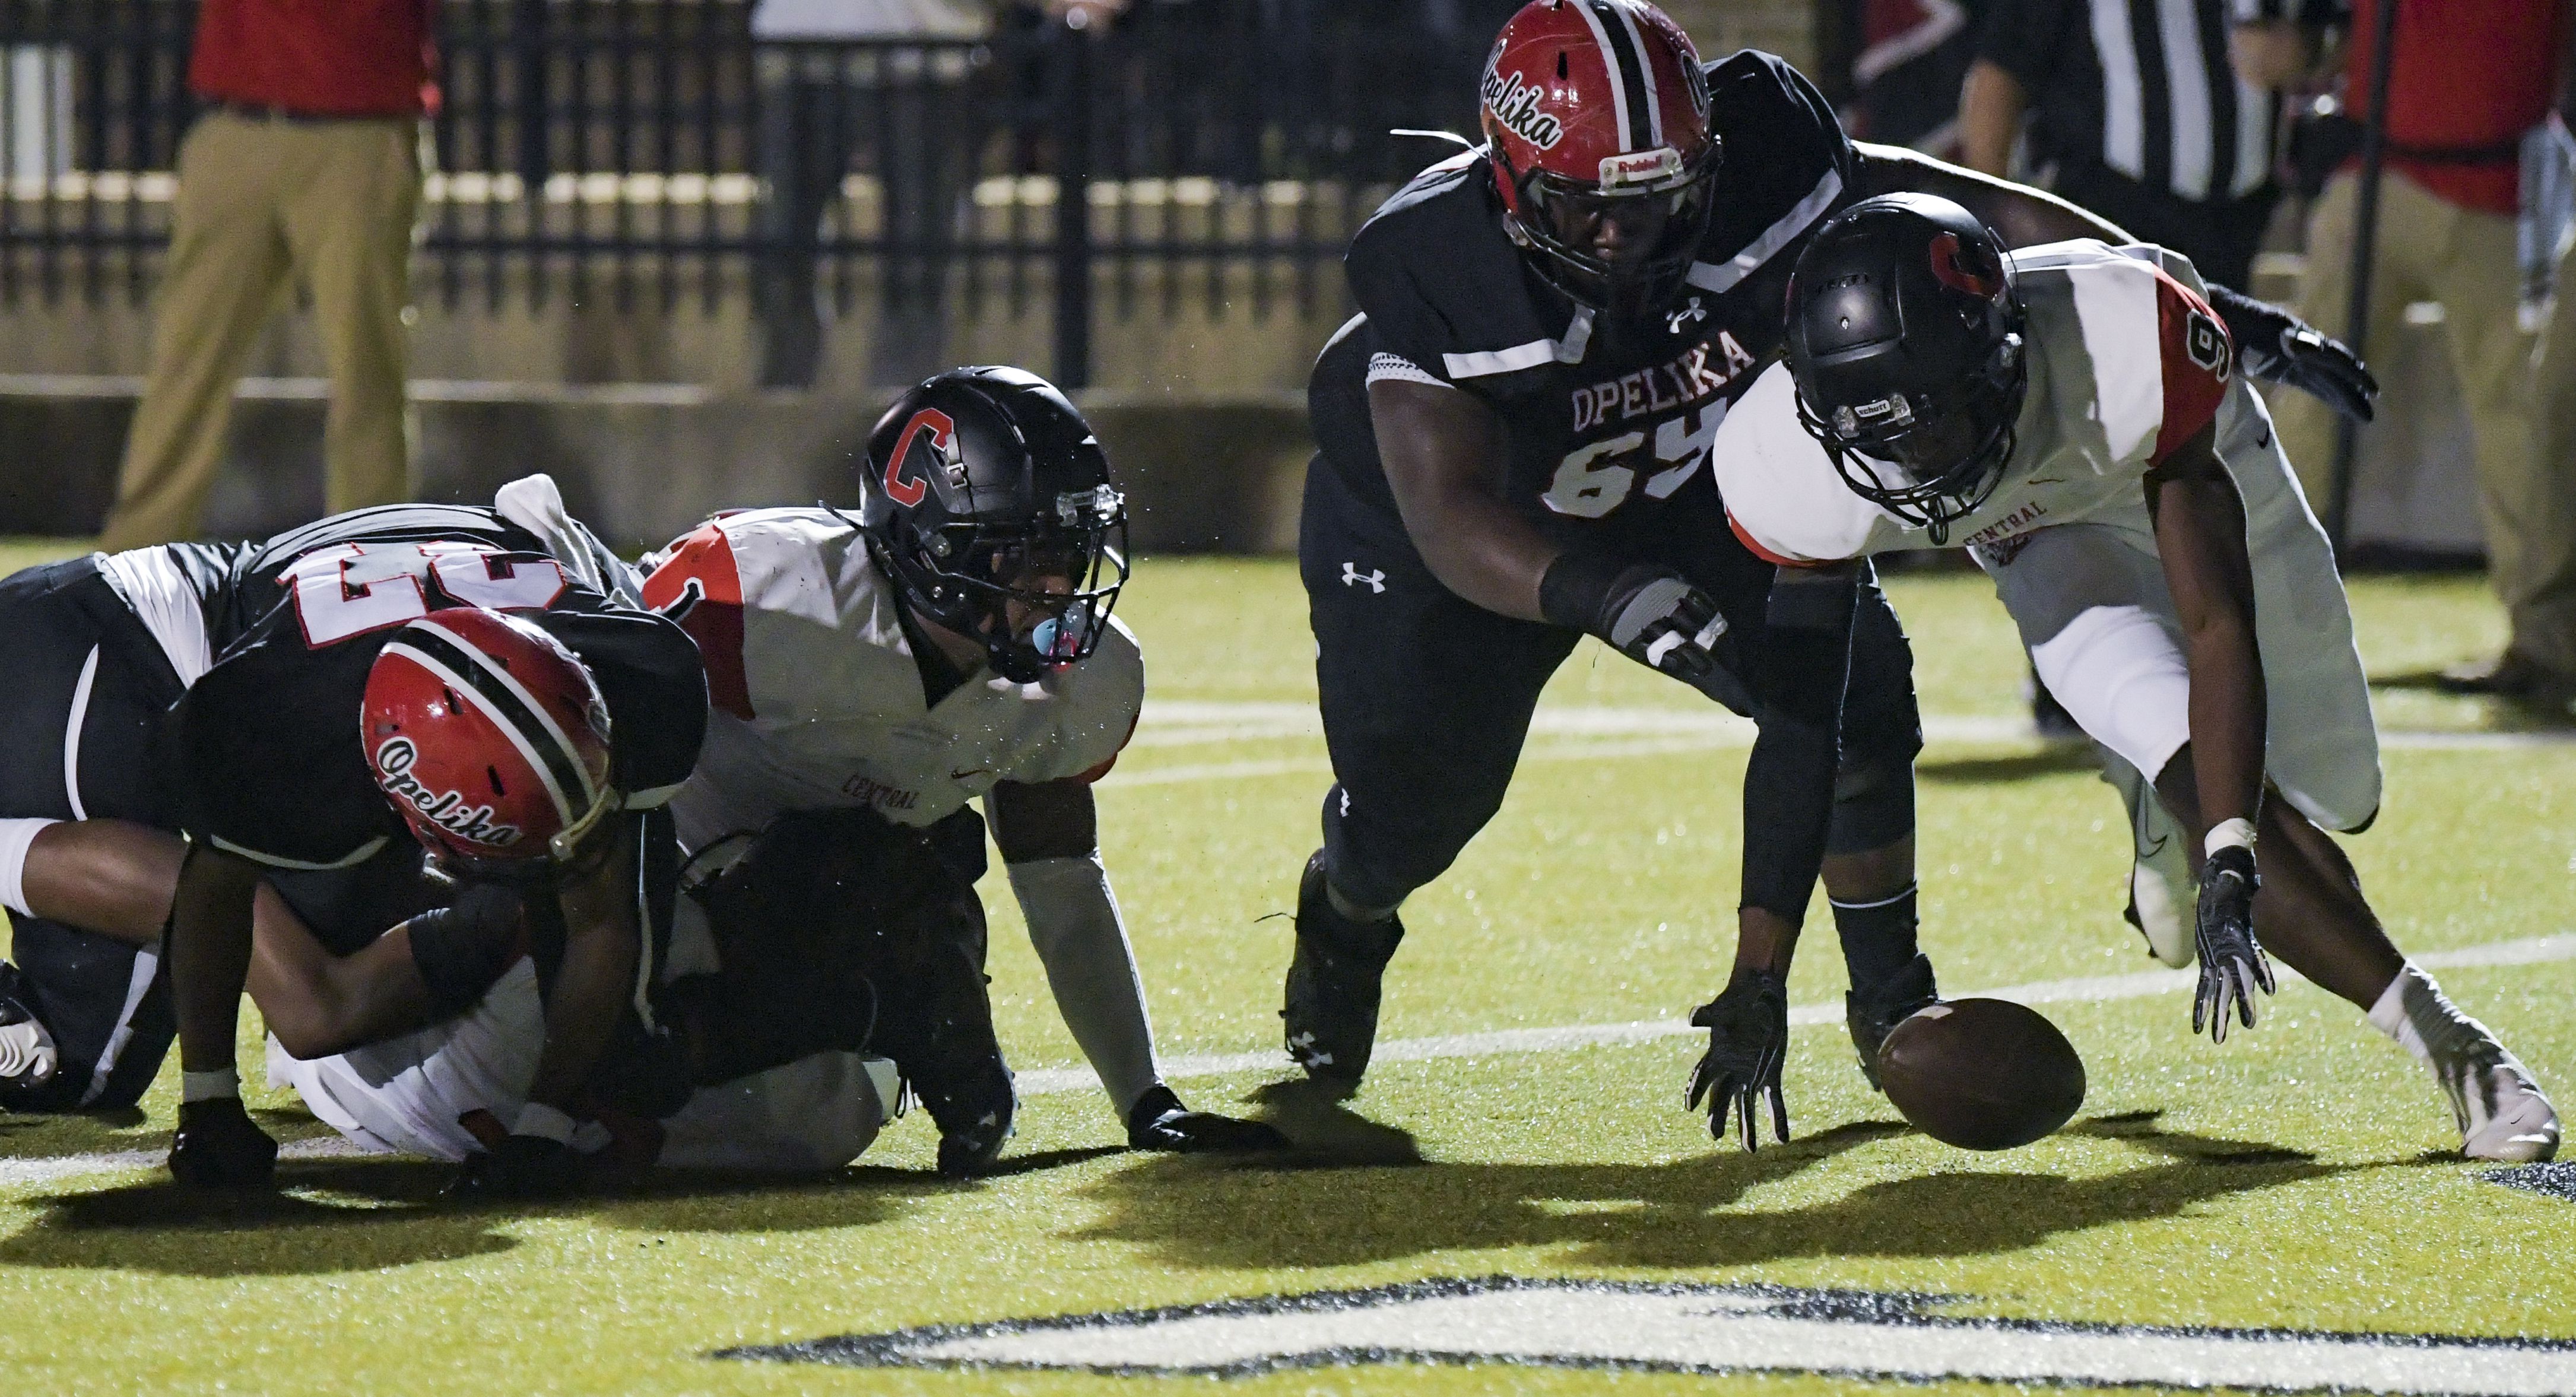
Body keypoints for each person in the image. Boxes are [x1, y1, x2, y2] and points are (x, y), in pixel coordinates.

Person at [1283, 0, 2373, 1148]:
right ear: (1508, 183)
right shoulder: (1439, 265)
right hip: (1475, 539)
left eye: (1656, 201)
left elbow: (1953, 213)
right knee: (1422, 809)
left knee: (1854, 688)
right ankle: (1347, 910)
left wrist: (2181, 285)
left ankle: (1891, 999)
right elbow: (1449, 509)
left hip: (1692, 488)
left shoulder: (1765, 150)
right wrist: (1612, 599)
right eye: (1587, 210)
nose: (1627, 240)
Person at [1705, 193, 2556, 1161]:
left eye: (1930, 424)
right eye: (1877, 437)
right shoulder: (1784, 460)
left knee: (2337, 783)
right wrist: (1759, 967)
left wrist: (2232, 852)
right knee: (2197, 769)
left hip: (2170, 465)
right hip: (2044, 542)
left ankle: (2173, 803)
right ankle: (2462, 1051)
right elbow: (1804, 723)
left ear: (2002, 355)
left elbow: (2215, 622)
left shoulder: (2123, 343)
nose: (1908, 464)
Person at [639, 366, 1286, 1173]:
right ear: (935, 545)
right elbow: (583, 729)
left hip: (828, 964)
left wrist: (1145, 1098)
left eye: (1072, 550)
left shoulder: (1080, 684)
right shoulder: (768, 598)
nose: (1059, 587)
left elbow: (1061, 880)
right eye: (1028, 554)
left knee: (831, 1110)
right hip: (648, 910)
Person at [0, 481, 628, 1116]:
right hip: (104, 661)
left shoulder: (577, 632)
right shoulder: (305, 717)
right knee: (80, 1067)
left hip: (102, 619)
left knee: (343, 923)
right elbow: (251, 934)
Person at [158, 500, 711, 1193]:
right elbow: (215, 882)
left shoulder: (642, 673)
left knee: (625, 1045)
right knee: (318, 911)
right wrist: (206, 1097)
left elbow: (600, 916)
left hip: (491, 549)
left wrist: (543, 1130)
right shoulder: (272, 725)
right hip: (300, 578)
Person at [2254, 0, 2576, 707]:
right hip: (2375, 170)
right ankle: (2250, 617)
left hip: (2495, 189)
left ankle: (2544, 642)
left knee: (2517, 423)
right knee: (2306, 401)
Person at [98, 0, 430, 550]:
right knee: (187, 355)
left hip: (360, 124)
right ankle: (135, 558)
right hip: (240, 123)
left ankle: (373, 559)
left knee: (365, 364)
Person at [1959, 0, 2290, 291]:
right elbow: (1999, 76)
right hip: (2106, 219)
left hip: (2236, 226)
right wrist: (1995, 225)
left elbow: (2328, 34)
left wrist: (2311, 49)